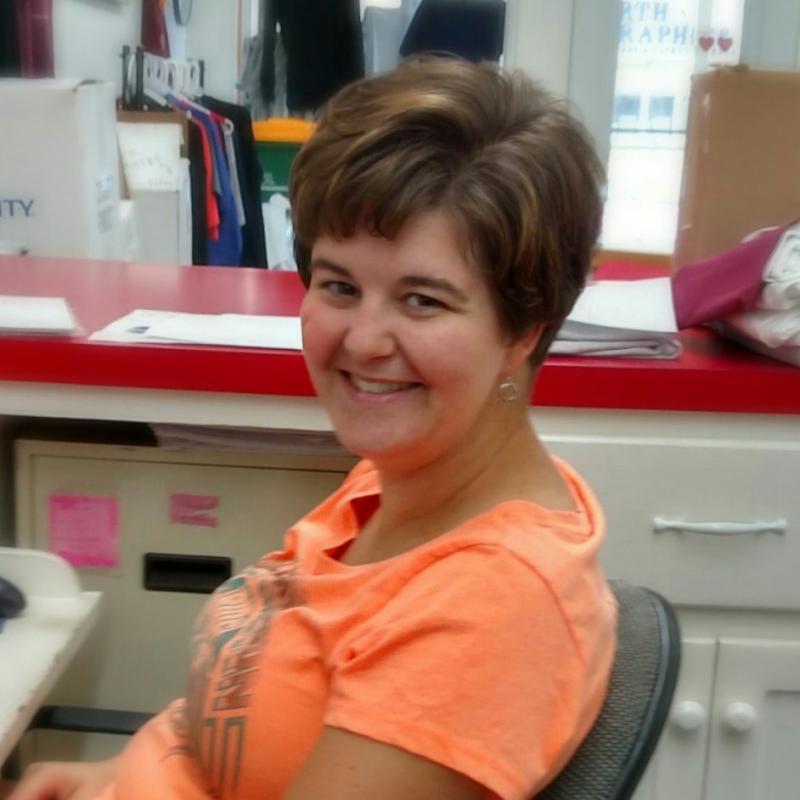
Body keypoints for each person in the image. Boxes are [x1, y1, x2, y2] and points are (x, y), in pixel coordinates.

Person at [9, 56, 616, 800]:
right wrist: (111, 776)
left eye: (422, 300)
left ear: (524, 329)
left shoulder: (495, 604)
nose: (362, 340)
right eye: (339, 285)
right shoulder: (401, 479)